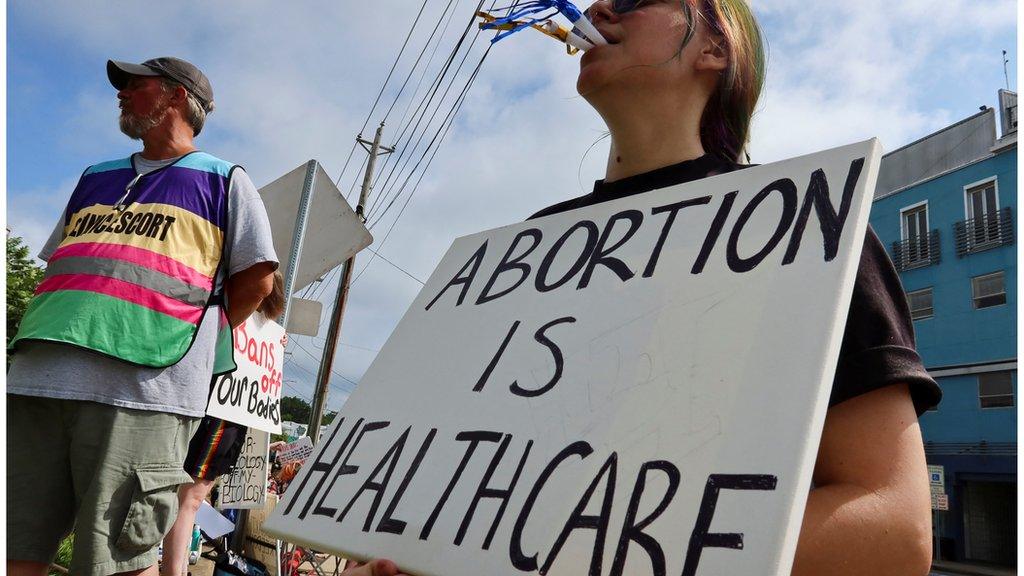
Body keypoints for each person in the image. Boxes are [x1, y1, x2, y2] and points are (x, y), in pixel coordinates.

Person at [340, 1, 941, 575]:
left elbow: (894, 530)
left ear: (715, 47)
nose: (599, 11)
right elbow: (434, 490)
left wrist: (580, 551)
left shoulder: (809, 227)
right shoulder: (529, 247)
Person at [7, 57, 279, 576]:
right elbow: (65, 263)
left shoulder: (224, 180)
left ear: (176, 96)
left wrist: (191, 337)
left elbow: (257, 281)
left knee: (119, 558)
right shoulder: (95, 176)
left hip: (141, 391)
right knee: (14, 544)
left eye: (136, 83)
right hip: (38, 378)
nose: (122, 93)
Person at [160, 272, 286, 576]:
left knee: (188, 497)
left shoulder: (251, 328)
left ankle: (170, 568)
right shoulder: (233, 321)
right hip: (221, 416)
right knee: (189, 498)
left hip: (224, 416)